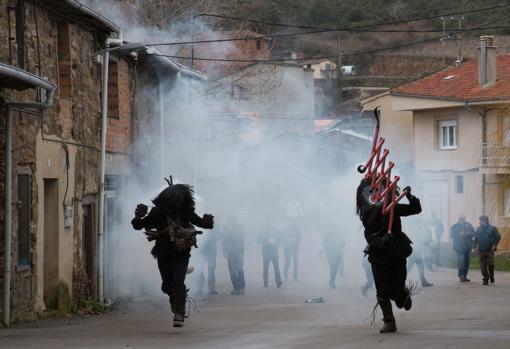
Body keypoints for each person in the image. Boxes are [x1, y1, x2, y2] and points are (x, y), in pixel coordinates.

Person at [131, 183, 214, 328]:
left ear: (180, 203)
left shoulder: (186, 212)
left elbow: (201, 223)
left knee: (178, 282)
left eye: (176, 206)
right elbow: (139, 225)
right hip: (163, 253)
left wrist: (208, 222)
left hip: (182, 253)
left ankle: (179, 312)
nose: (173, 209)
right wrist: (138, 217)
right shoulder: (157, 212)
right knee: (166, 286)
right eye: (171, 206)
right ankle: (173, 298)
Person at [356, 179, 421, 333]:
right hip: (378, 255)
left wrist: (410, 196)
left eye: (379, 191)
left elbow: (415, 209)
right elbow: (370, 237)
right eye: (371, 192)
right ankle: (389, 320)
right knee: (382, 291)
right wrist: (382, 240)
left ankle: (401, 295)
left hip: (397, 253)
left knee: (397, 290)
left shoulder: (393, 208)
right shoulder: (367, 214)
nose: (376, 194)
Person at [474, 215, 501, 285]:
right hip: (481, 250)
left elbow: (498, 237)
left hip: (489, 249)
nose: (479, 222)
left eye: (480, 221)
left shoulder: (492, 228)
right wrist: (474, 247)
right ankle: (485, 279)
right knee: (483, 267)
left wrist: (495, 245)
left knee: (490, 264)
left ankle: (491, 275)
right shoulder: (478, 229)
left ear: (485, 221)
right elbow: (476, 238)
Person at [222, 216, 246, 295]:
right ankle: (236, 287)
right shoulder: (226, 228)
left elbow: (241, 238)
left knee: (239, 269)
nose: (233, 221)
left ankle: (242, 287)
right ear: (229, 221)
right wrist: (225, 252)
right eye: (231, 220)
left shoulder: (240, 227)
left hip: (239, 251)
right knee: (232, 271)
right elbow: (224, 241)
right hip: (230, 252)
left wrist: (242, 251)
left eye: (234, 220)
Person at [407, 219, 433, 288]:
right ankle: (399, 280)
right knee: (408, 268)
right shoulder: (416, 231)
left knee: (421, 268)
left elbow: (423, 241)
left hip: (417, 252)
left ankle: (423, 282)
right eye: (420, 223)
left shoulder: (420, 230)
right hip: (414, 252)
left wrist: (425, 243)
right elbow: (416, 241)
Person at [449, 215, 475, 282]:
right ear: (459, 219)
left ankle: (465, 276)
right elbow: (451, 235)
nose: (463, 220)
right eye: (462, 219)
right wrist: (459, 234)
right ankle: (461, 276)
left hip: (468, 246)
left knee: (466, 262)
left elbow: (473, 233)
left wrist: (467, 233)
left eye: (464, 219)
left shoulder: (469, 225)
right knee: (461, 262)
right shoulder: (455, 226)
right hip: (459, 247)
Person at [195, 229, 220, 296]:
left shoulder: (214, 228)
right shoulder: (201, 227)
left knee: (211, 271)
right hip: (202, 252)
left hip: (211, 253)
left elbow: (218, 237)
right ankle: (199, 289)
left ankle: (211, 289)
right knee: (199, 270)